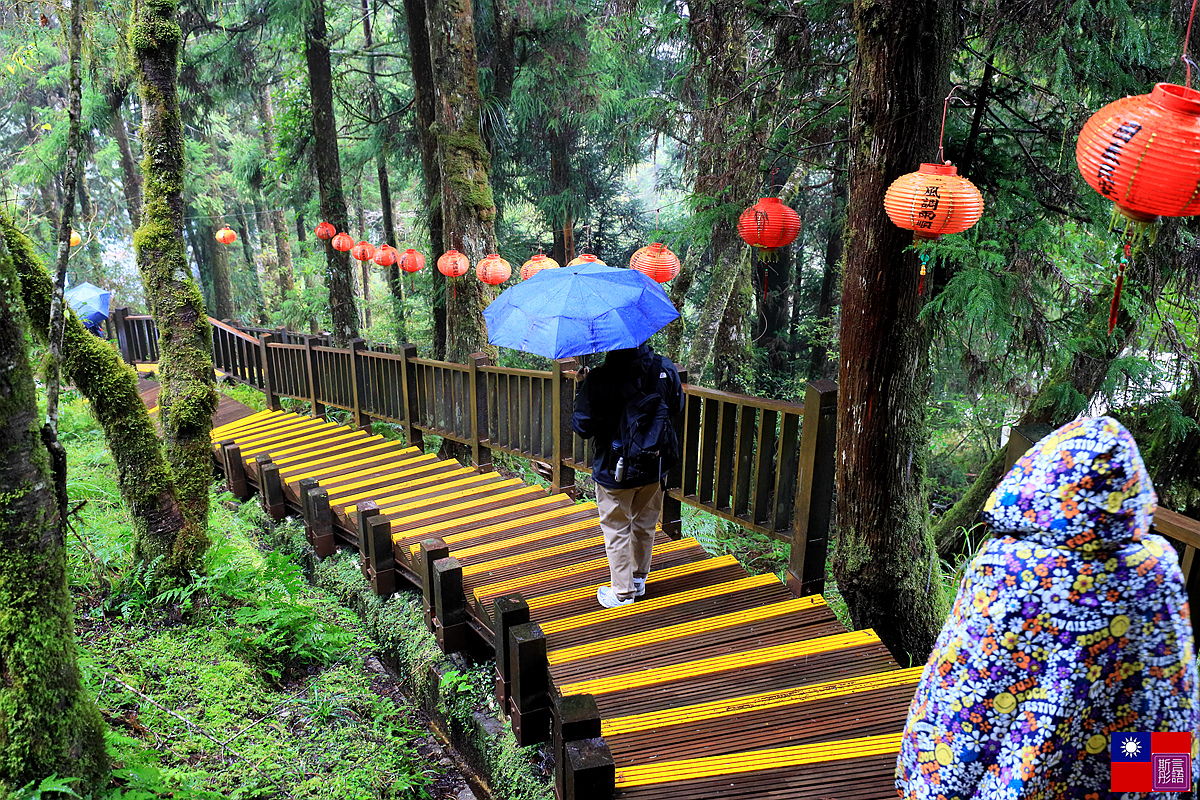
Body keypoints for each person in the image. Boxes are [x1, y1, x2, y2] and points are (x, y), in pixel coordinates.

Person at [896, 416, 1199, 799]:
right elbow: (1166, 697)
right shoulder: (1156, 568)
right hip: (1124, 766)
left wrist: (931, 782)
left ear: (1040, 475)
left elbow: (966, 685)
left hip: (1023, 772)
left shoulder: (1006, 565)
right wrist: (1169, 788)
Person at [571, 343, 683, 608]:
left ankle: (622, 593)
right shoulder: (664, 368)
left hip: (614, 468)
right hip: (654, 464)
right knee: (644, 523)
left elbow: (583, 426)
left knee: (616, 527)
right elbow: (676, 405)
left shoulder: (600, 378)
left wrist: (583, 387)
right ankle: (638, 580)